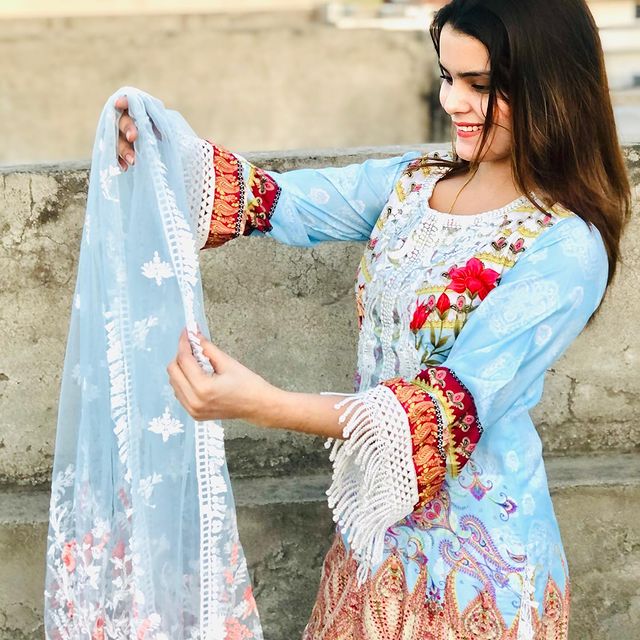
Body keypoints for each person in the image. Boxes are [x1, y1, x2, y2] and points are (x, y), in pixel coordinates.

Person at [114, 0, 630, 637]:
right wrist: (158, 145)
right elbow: (278, 201)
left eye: (480, 85)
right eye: (447, 77)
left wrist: (263, 405)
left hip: (482, 572)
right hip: (375, 544)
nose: (453, 102)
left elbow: (443, 410)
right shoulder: (414, 184)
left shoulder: (564, 246)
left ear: (552, 88)